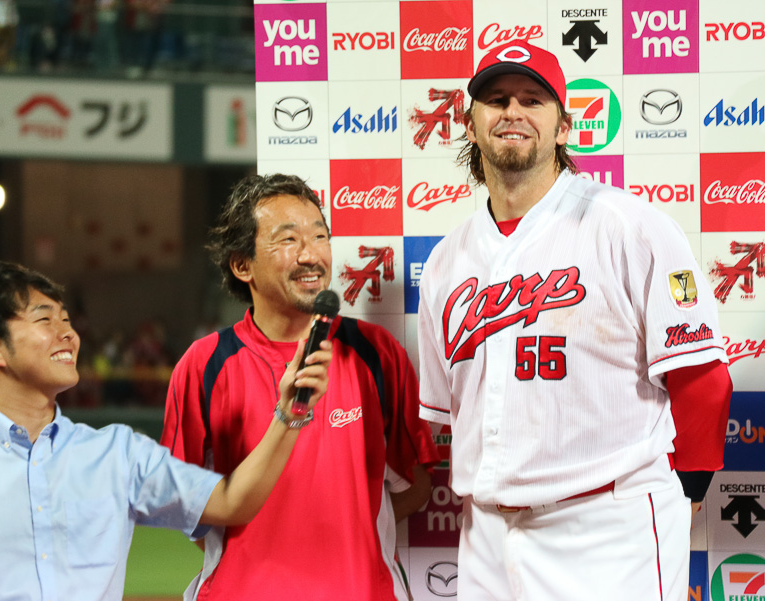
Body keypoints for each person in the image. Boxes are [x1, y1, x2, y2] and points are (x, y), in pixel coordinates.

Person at [417, 40, 733, 601]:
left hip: (607, 527)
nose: (512, 111)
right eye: (496, 99)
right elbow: (445, 412)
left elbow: (701, 380)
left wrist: (682, 498)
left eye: (532, 100)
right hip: (487, 532)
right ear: (470, 124)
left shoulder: (628, 227)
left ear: (563, 127)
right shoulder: (446, 259)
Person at [0, 260, 331, 601]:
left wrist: (289, 412)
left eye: (67, 320)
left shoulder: (117, 453)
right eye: (45, 321)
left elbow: (231, 502)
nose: (69, 335)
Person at [162, 173, 440, 601]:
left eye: (320, 236)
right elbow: (189, 510)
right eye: (288, 240)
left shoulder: (375, 352)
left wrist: (342, 535)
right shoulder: (203, 365)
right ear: (242, 265)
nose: (312, 255)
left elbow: (415, 488)